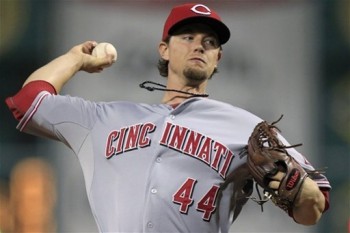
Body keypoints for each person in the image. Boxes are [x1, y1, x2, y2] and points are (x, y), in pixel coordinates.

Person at [5, 3, 330, 233]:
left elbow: (314, 207)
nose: (199, 46)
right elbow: (28, 102)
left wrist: (297, 186)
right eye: (187, 37)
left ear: (218, 58)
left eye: (210, 42)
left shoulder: (245, 127)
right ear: (164, 48)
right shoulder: (105, 118)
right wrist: (74, 59)